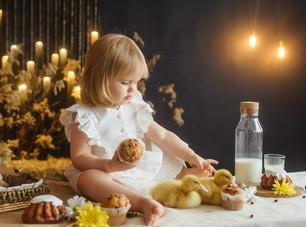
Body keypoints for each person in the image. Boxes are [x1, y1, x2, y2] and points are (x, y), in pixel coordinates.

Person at [60, 33, 218, 226]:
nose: (132, 89)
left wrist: (192, 156)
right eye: (125, 82)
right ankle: (140, 202)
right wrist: (109, 165)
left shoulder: (134, 106)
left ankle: (180, 177)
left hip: (139, 168)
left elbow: (163, 135)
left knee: (166, 153)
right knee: (87, 179)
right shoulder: (85, 116)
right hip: (106, 172)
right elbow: (79, 157)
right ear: (100, 79)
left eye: (135, 82)